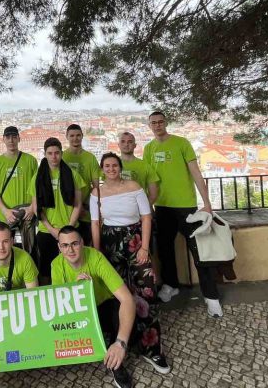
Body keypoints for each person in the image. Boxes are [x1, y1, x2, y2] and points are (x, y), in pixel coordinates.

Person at [90, 152, 170, 374]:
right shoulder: (97, 193)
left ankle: (151, 347)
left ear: (120, 167)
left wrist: (144, 247)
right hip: (110, 243)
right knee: (116, 295)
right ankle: (120, 344)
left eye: (114, 165)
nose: (111, 169)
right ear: (102, 169)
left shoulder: (134, 186)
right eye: (107, 166)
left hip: (135, 240)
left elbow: (146, 217)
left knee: (146, 292)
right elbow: (95, 223)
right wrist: (97, 252)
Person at [143, 111, 222, 317]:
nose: (157, 125)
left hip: (186, 206)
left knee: (198, 250)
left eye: (160, 122)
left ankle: (211, 296)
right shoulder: (149, 148)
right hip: (162, 206)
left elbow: (196, 173)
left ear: (166, 123)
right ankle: (170, 285)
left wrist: (207, 203)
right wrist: (147, 207)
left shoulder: (181, 143)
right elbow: (147, 179)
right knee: (165, 249)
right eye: (153, 123)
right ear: (149, 126)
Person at [51, 226, 135, 388]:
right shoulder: (56, 265)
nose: (70, 250)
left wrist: (121, 343)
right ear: (59, 247)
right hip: (78, 311)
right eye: (65, 245)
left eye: (74, 244)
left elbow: (127, 299)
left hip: (103, 306)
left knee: (123, 313)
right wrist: (76, 291)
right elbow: (59, 307)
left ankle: (116, 360)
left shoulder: (96, 258)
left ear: (82, 243)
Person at [29, 137, 84, 285]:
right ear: (45, 154)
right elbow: (36, 207)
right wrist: (52, 229)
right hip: (47, 231)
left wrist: (68, 228)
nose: (54, 157)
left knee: (74, 266)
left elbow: (78, 204)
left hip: (71, 229)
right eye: (50, 153)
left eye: (57, 153)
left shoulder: (72, 174)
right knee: (45, 270)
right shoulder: (37, 177)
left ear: (61, 153)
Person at [0, 126, 39, 254]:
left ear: (19, 139)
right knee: (3, 248)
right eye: (8, 137)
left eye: (14, 137)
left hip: (27, 212)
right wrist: (5, 210)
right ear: (3, 139)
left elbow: (38, 187)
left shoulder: (31, 160)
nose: (11, 140)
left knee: (30, 248)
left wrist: (32, 208)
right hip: (6, 213)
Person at [62, 124, 100, 244]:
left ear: (82, 136)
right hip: (66, 209)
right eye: (72, 135)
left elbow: (96, 187)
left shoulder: (90, 158)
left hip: (85, 210)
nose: (75, 138)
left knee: (85, 243)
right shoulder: (62, 157)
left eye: (78, 135)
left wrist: (88, 207)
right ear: (67, 137)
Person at [117, 132, 160, 207]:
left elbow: (153, 195)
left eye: (130, 142)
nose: (126, 144)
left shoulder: (146, 166)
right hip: (116, 210)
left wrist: (143, 209)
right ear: (118, 145)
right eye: (123, 141)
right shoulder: (111, 166)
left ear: (135, 145)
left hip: (140, 211)